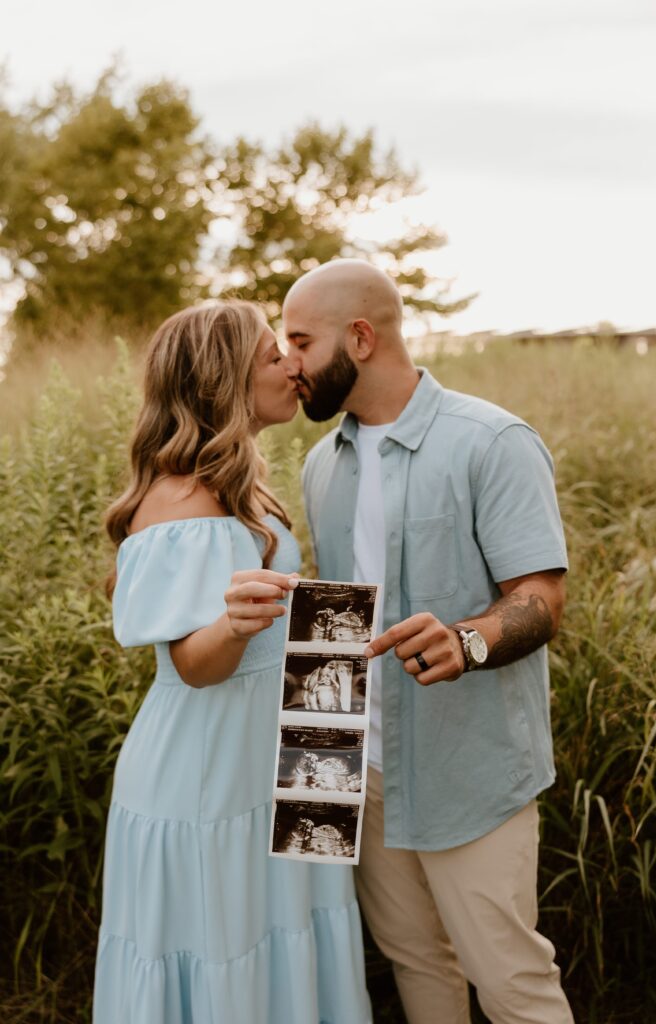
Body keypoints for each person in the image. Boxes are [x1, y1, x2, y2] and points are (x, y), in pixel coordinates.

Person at [283, 260, 575, 1024]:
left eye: (300, 342)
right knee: (416, 966)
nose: (289, 363)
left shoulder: (492, 441)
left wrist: (467, 641)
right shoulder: (321, 463)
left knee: (510, 981)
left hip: (468, 772)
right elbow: (336, 624)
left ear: (360, 337)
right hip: (363, 771)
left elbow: (541, 598)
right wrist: (322, 775)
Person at [93, 301, 371, 1024]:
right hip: (209, 777)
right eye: (272, 355)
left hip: (275, 760)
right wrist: (235, 625)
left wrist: (325, 759)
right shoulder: (185, 499)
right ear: (225, 381)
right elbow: (195, 665)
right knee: (229, 956)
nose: (291, 366)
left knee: (284, 940)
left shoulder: (240, 489)